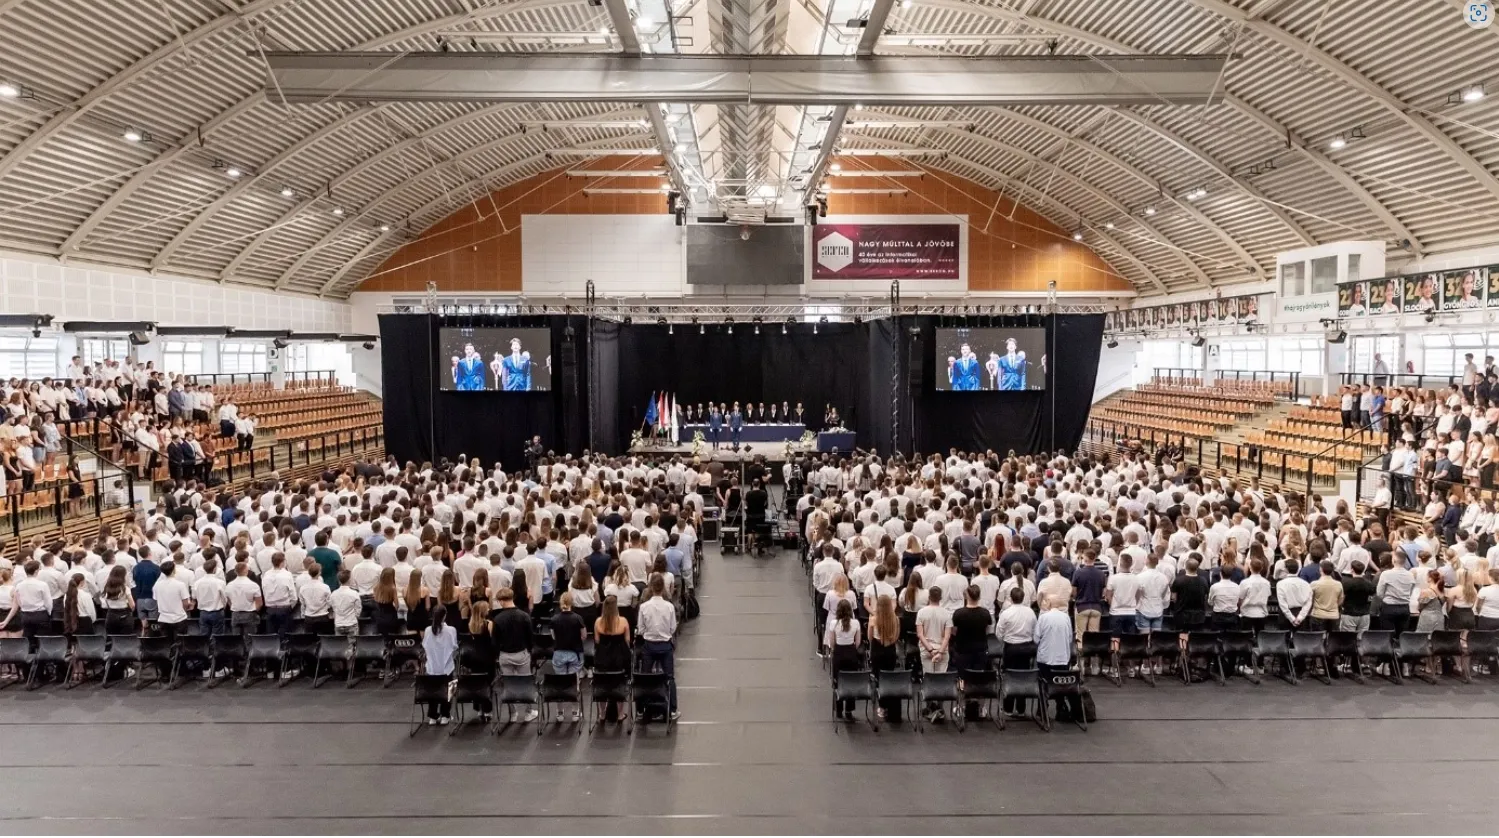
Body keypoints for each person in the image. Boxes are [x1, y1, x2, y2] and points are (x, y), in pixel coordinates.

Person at [637, 575, 679, 720]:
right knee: (669, 677)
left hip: (649, 646)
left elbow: (641, 629)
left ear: (650, 587)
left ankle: (641, 709)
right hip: (665, 645)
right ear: (663, 588)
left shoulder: (643, 607)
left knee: (645, 677)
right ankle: (673, 710)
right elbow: (673, 628)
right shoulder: (669, 607)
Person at [951, 585, 993, 719]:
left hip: (962, 650)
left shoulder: (958, 613)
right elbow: (987, 630)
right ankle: (982, 708)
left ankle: (960, 706)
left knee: (962, 679)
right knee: (980, 679)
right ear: (979, 597)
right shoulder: (985, 613)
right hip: (980, 650)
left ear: (966, 596)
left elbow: (954, 631)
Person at [1034, 596, 1079, 719]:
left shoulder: (1043, 618)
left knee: (1043, 684)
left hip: (1045, 658)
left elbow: (1036, 639)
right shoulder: (1066, 618)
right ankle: (1061, 708)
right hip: (1062, 657)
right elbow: (1070, 638)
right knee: (1060, 684)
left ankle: (1042, 709)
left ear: (1049, 603)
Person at [915, 586, 953, 722]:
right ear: (941, 598)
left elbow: (920, 635)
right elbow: (947, 637)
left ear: (929, 597)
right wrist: (940, 652)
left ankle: (930, 708)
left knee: (928, 679)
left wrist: (930, 650)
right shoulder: (947, 614)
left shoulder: (921, 612)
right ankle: (940, 709)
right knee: (941, 680)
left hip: (927, 651)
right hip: (942, 651)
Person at [826, 599, 863, 720]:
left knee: (838, 681)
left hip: (839, 654)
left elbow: (831, 642)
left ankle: (838, 709)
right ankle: (849, 710)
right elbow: (857, 642)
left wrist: (834, 650)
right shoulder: (856, 623)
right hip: (851, 654)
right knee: (851, 682)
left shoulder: (833, 623)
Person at [421, 604, 457, 725]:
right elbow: (455, 647)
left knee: (433, 691)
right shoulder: (451, 630)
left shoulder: (427, 630)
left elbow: (425, 646)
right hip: (447, 668)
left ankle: (432, 716)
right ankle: (445, 715)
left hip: (432, 668)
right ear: (445, 616)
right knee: (450, 689)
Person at [330, 570, 362, 636]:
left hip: (338, 623)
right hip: (351, 623)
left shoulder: (333, 594)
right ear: (349, 580)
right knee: (353, 644)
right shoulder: (354, 594)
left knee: (340, 645)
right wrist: (355, 617)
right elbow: (358, 609)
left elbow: (332, 607)